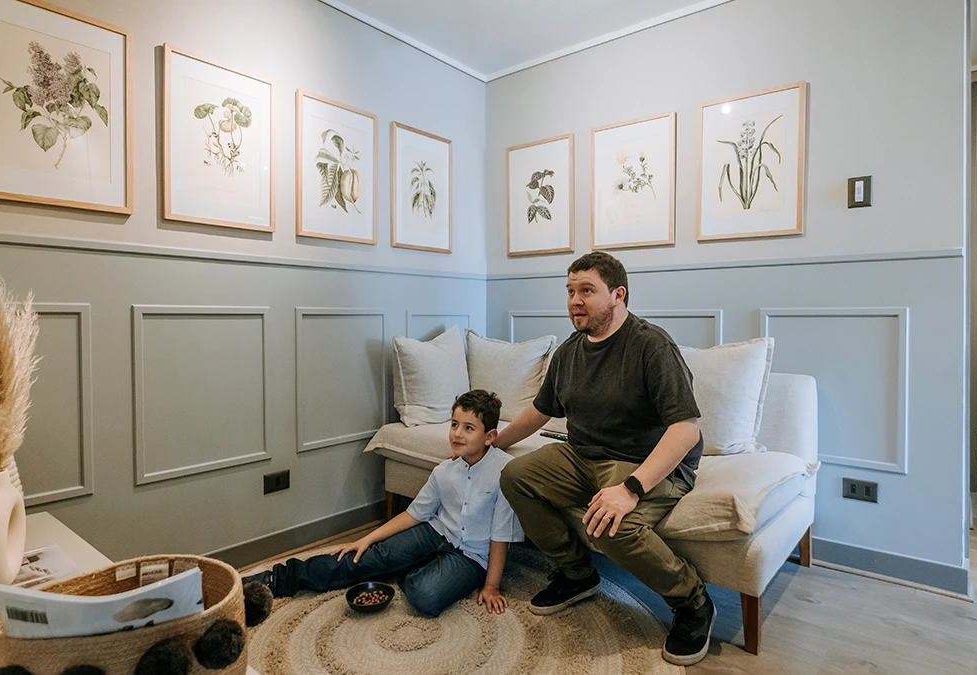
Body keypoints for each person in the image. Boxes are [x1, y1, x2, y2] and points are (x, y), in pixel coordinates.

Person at [496, 251, 714, 666]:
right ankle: (578, 574)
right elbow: (541, 410)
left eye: (586, 291)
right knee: (517, 476)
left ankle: (692, 601)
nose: (574, 300)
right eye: (570, 291)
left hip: (646, 461)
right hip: (583, 455)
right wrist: (498, 442)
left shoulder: (652, 345)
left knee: (611, 526)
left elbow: (686, 429)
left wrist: (630, 490)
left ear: (618, 295)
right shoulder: (570, 350)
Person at [246, 390, 523, 618]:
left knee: (425, 597)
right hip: (435, 532)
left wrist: (491, 585)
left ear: (489, 436)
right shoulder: (444, 471)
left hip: (471, 557)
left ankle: (404, 569)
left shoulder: (504, 473)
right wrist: (367, 539)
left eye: (468, 428)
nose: (457, 434)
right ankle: (278, 578)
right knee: (367, 557)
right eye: (454, 424)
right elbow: (414, 515)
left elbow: (500, 537)